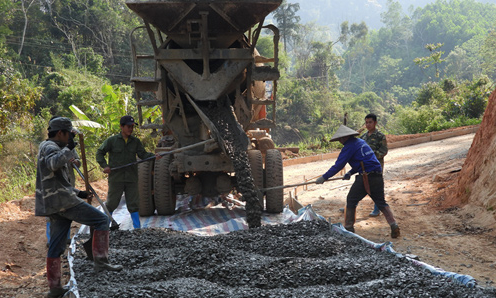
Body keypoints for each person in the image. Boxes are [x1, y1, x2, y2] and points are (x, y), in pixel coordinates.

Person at [35, 117, 122, 298]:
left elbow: (57, 180)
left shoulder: (52, 147)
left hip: (55, 202)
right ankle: (101, 261)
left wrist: (78, 192)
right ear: (61, 133)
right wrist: (69, 148)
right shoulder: (49, 147)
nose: (69, 138)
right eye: (68, 134)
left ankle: (55, 289)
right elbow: (53, 163)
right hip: (62, 202)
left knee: (56, 246)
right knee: (101, 220)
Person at [316, 125, 400, 238]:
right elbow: (364, 162)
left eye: (341, 139)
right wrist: (350, 173)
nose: (340, 141)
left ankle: (349, 229)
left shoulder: (349, 147)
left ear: (346, 137)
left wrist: (324, 177)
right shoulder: (360, 142)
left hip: (366, 177)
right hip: (377, 175)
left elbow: (338, 165)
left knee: (351, 200)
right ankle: (394, 225)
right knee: (381, 202)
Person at [96, 115, 161, 229]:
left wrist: (153, 156)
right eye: (128, 126)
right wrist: (105, 166)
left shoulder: (135, 142)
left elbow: (143, 155)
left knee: (133, 203)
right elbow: (100, 152)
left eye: (132, 127)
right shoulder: (112, 141)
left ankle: (137, 229)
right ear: (121, 127)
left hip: (131, 178)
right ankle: (104, 228)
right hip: (116, 178)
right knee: (111, 203)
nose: (130, 129)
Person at [360, 113, 388, 217]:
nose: (368, 124)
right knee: (361, 184)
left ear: (375, 123)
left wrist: (371, 157)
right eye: (366, 122)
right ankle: (351, 204)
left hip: (376, 166)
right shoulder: (363, 137)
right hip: (365, 166)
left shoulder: (380, 136)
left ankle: (377, 209)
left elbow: (384, 151)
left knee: (376, 187)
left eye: (370, 122)